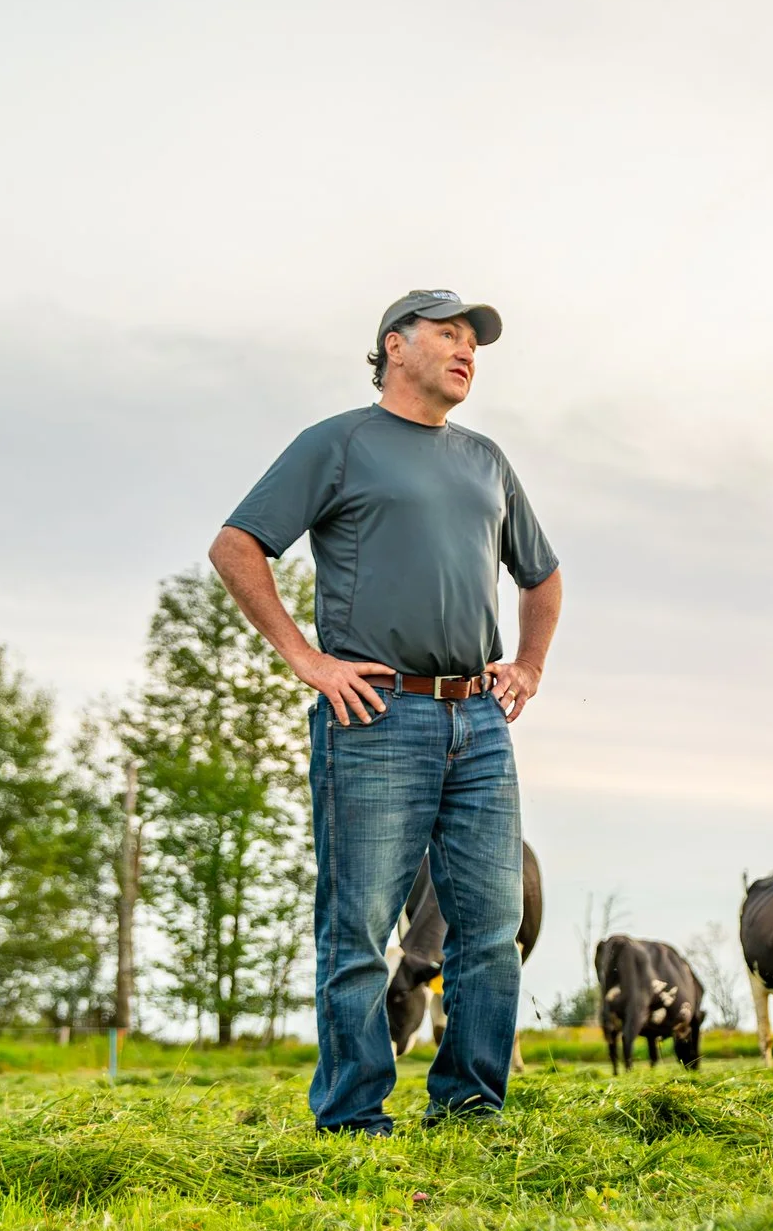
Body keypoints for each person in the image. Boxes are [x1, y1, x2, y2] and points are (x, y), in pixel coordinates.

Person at [210, 289, 562, 1134]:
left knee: (490, 927)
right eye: (449, 333)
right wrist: (309, 660)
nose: (466, 349)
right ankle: (353, 1115)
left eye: (473, 340)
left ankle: (471, 1103)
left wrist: (530, 665)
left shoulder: (487, 459)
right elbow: (237, 545)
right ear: (393, 346)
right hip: (374, 716)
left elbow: (541, 574)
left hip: (477, 721)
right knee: (360, 927)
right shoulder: (338, 444)